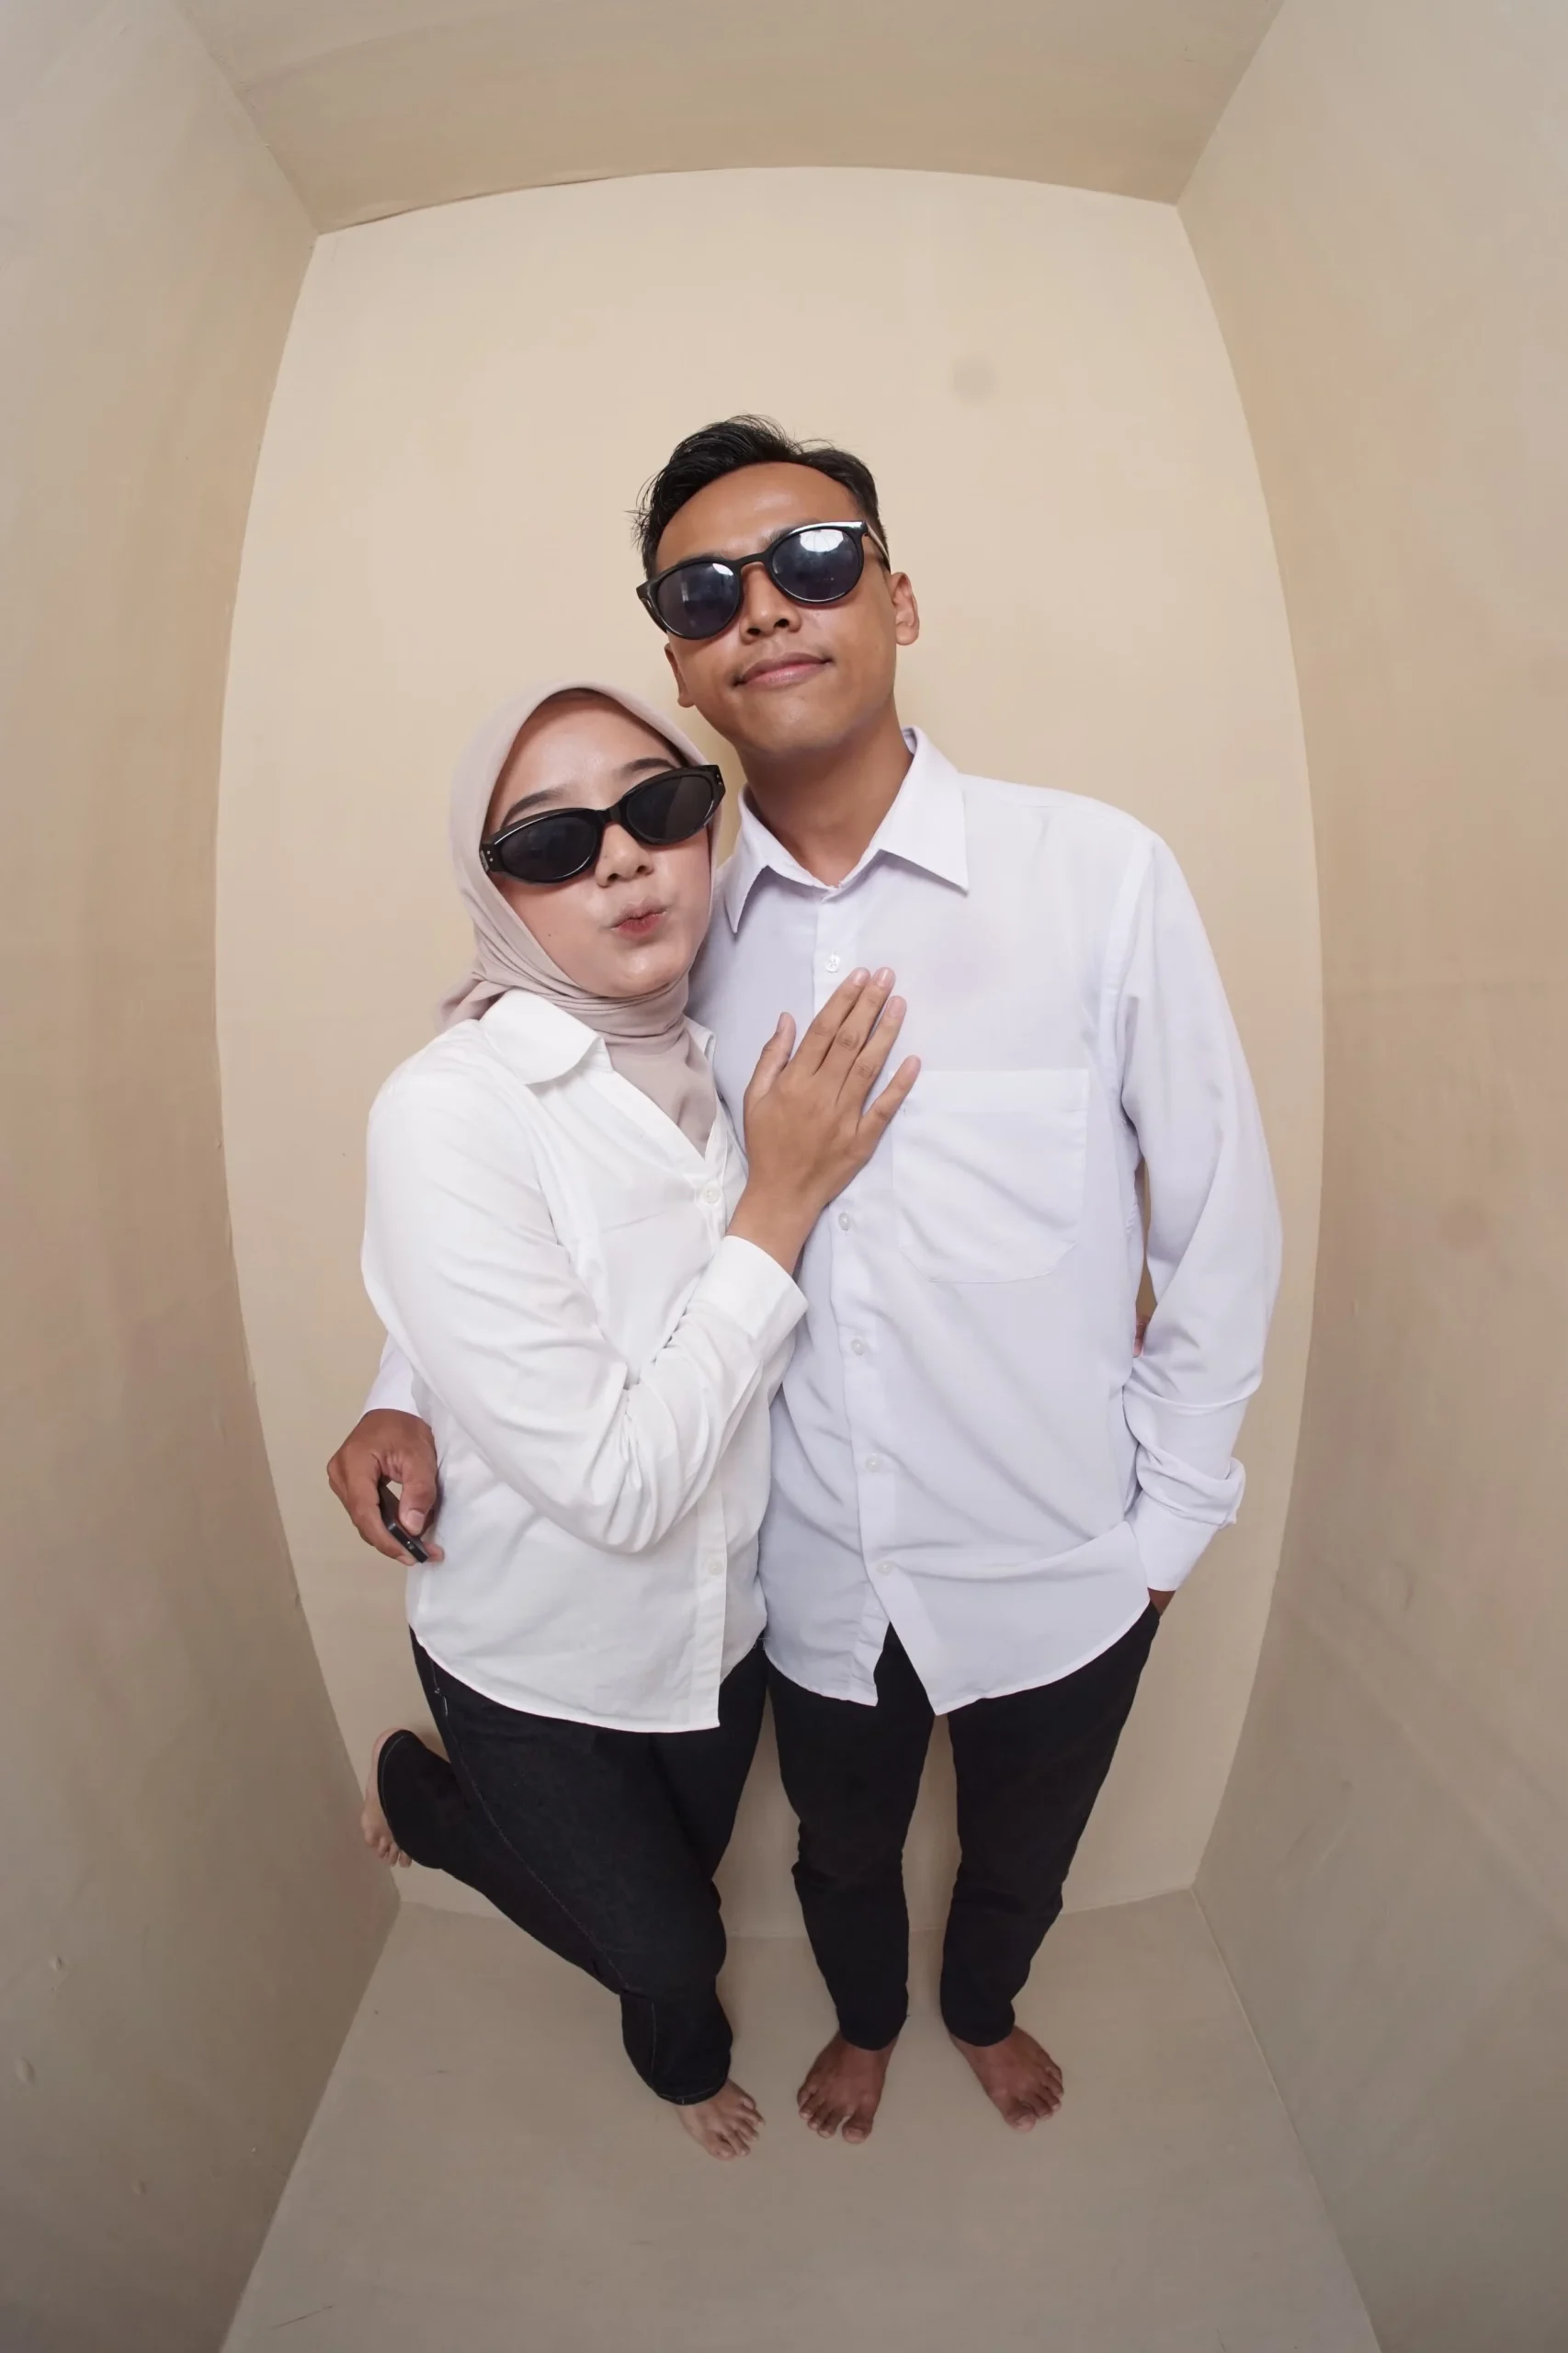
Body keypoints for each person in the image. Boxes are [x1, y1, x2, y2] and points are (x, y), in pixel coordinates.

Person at [332, 420, 1281, 2146]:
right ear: (680, 664)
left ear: (896, 599)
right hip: (809, 1576)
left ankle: (980, 2008)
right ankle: (863, 2022)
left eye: (814, 561)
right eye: (705, 592)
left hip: (1064, 1557)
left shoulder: (1095, 876)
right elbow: (549, 1195)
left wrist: (1166, 1526)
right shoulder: (663, 935)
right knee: (839, 1851)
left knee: (1024, 1853)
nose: (764, 607)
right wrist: (405, 1384)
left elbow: (1215, 1219)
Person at [352, 676, 916, 2160]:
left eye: (657, 807)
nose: (620, 858)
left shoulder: (715, 1039)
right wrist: (778, 1205)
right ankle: (443, 1816)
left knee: (683, 1883)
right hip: (534, 1661)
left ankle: (655, 2013)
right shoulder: (448, 1107)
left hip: (718, 1636)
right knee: (670, 1947)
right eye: (551, 841)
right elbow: (612, 1483)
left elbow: (514, 1296)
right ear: (495, 893)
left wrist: (397, 1393)